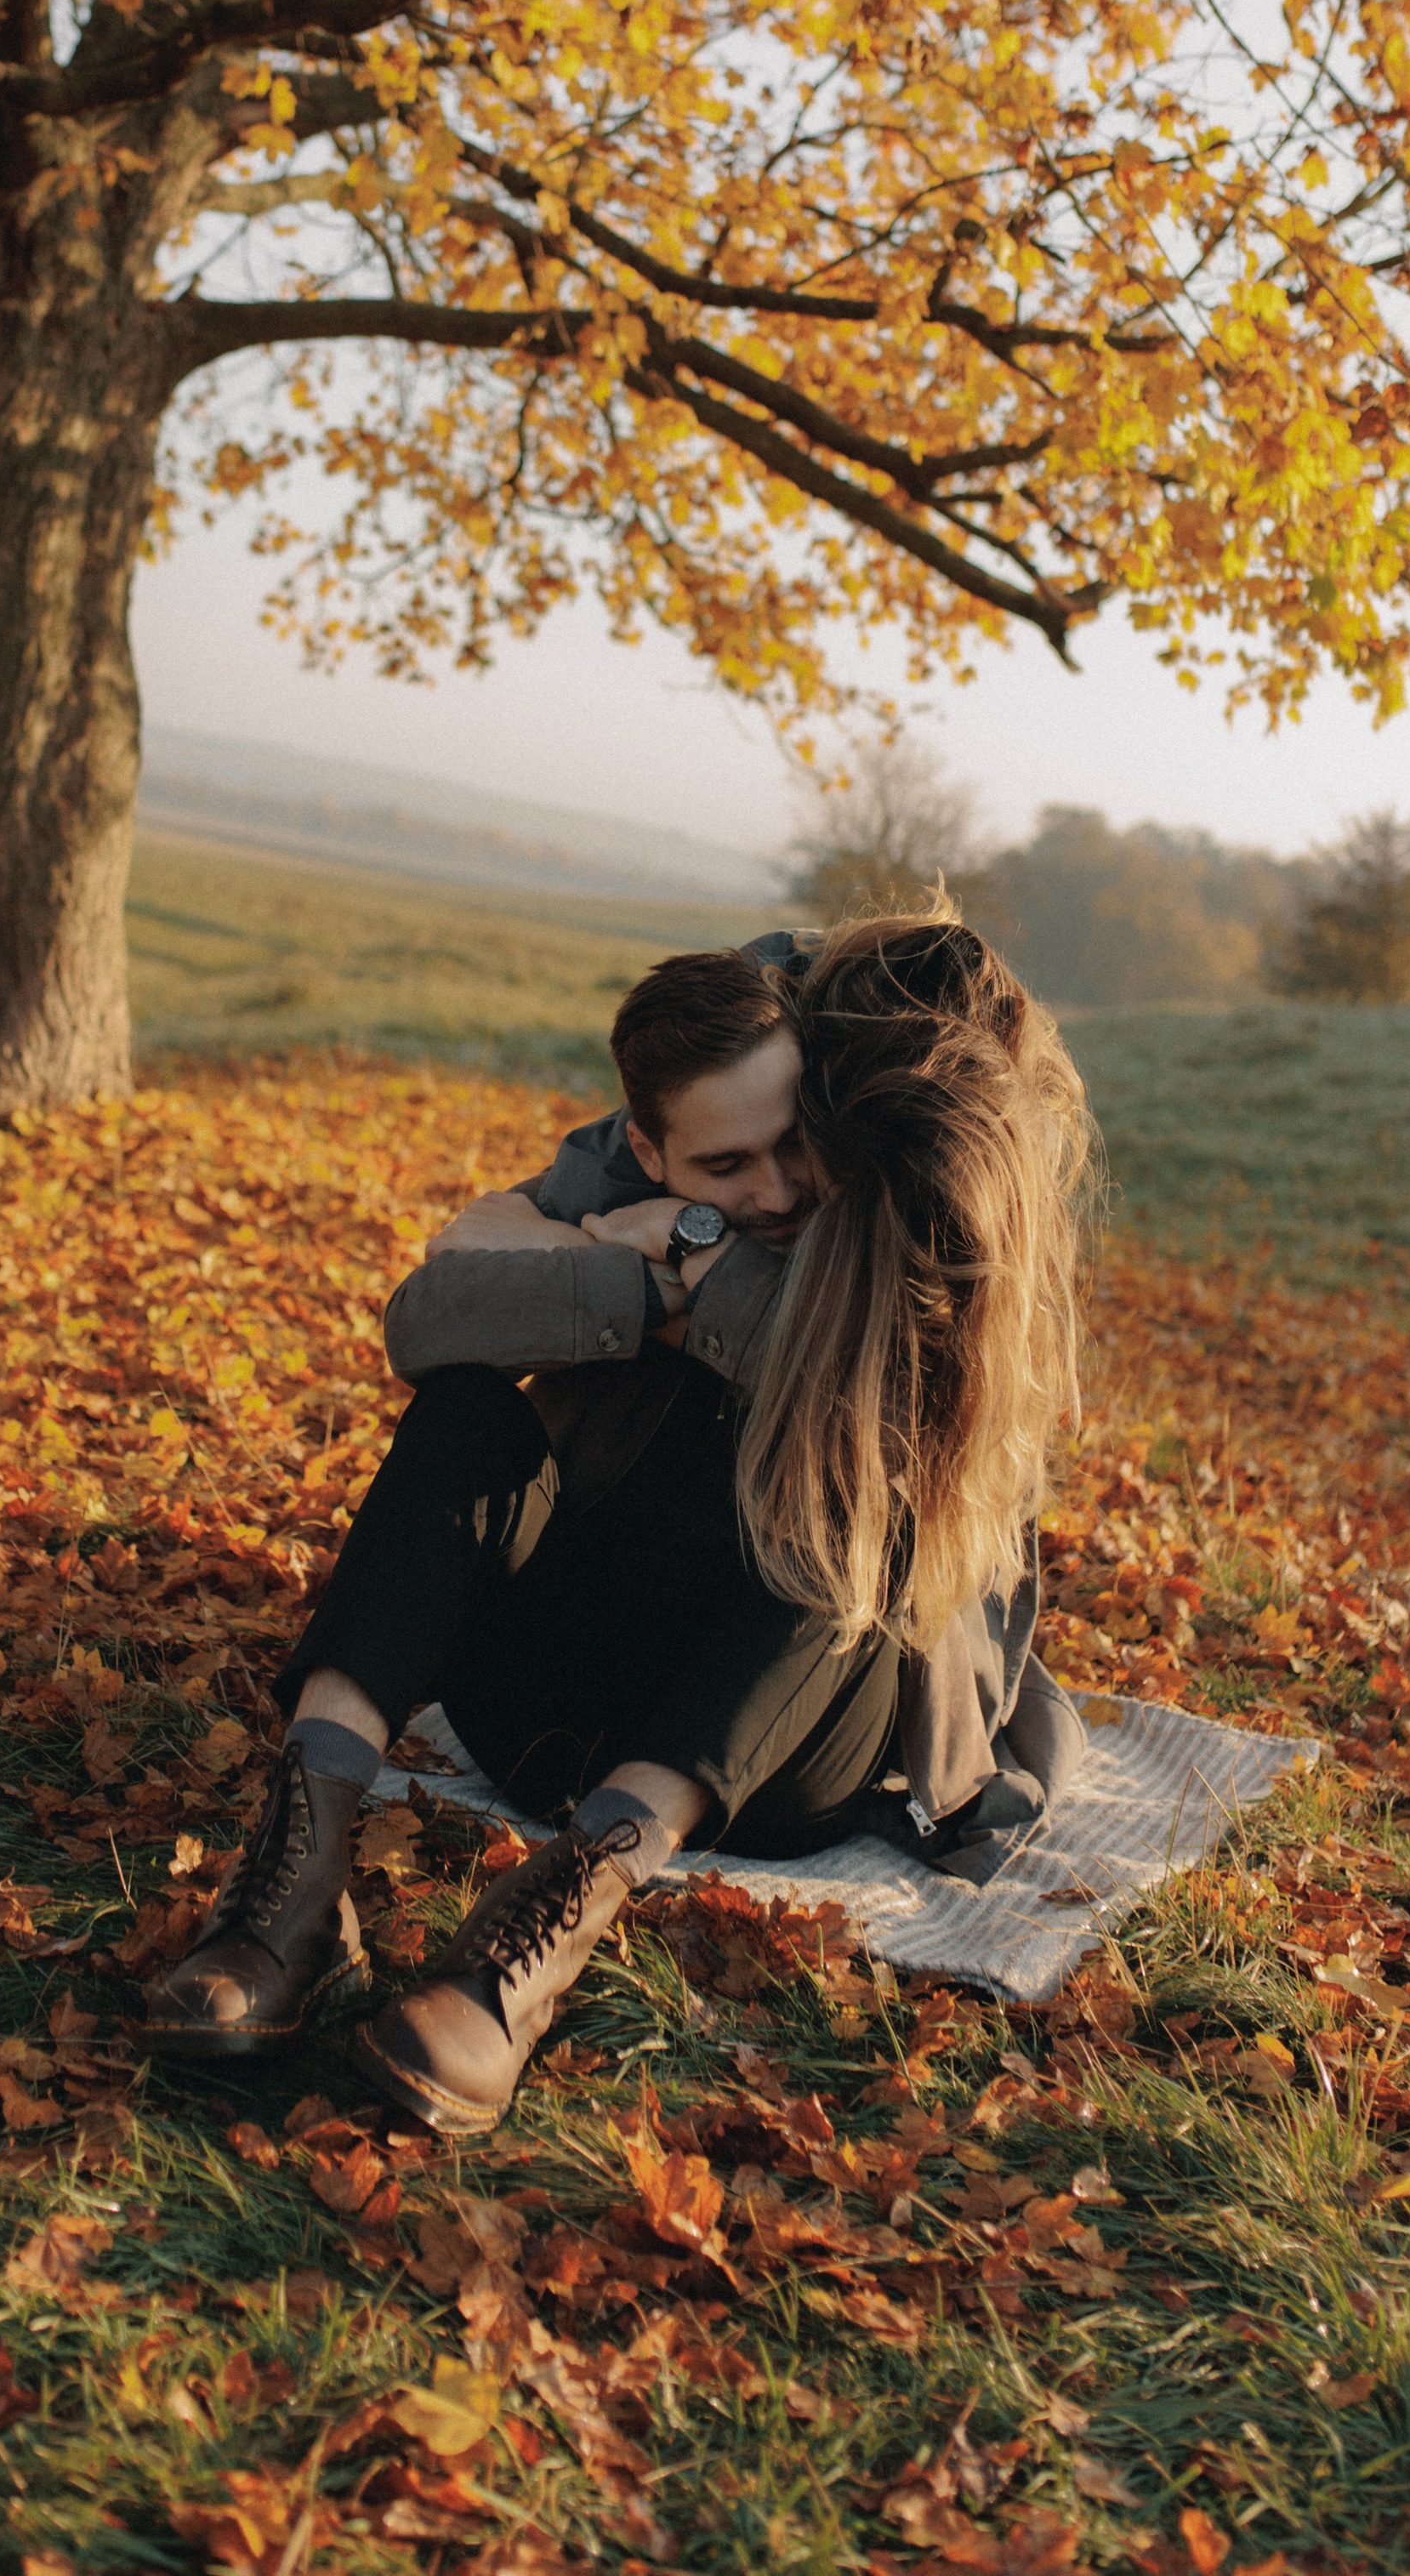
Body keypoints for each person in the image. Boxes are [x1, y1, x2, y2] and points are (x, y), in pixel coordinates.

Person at [138, 911, 1094, 2137]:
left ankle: (529, 1950)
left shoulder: (956, 1213)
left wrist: (693, 1269)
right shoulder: (720, 1082)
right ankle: (295, 1880)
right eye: (726, 1170)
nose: (776, 1190)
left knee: (851, 1505)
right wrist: (637, 1276)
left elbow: (878, 1417)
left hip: (765, 1746)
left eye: (803, 1151)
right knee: (472, 1413)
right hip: (548, 1702)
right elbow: (438, 1302)